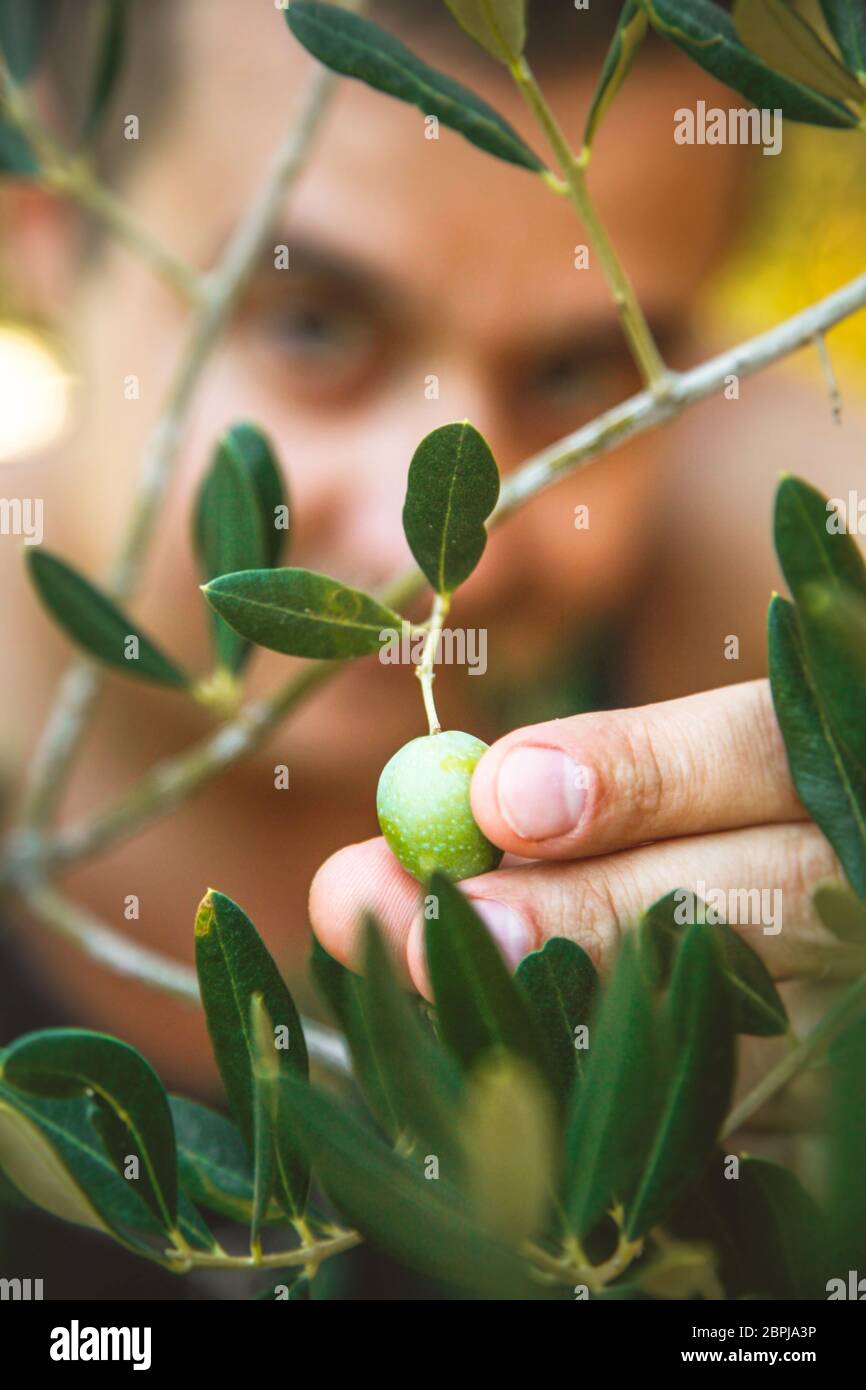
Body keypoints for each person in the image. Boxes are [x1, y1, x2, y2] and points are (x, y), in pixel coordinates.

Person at [1, 0, 861, 1147]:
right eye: (311, 327)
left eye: (572, 370)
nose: (449, 548)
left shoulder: (770, 603)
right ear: (43, 228)